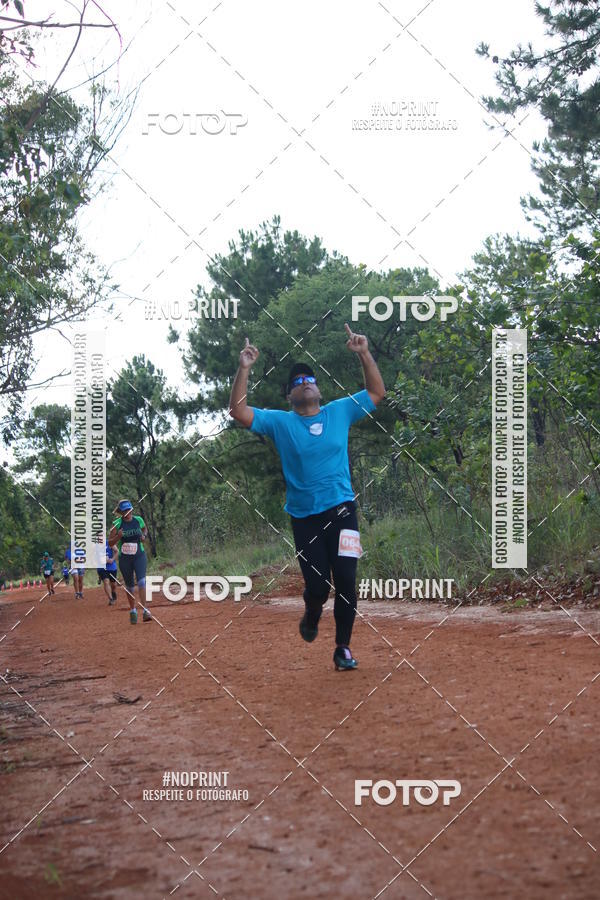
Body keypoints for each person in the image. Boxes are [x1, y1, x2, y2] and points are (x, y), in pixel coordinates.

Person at [229, 323, 385, 670]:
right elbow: (239, 411)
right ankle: (312, 612)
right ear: (290, 396)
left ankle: (342, 647)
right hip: (305, 519)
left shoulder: (339, 411)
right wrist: (244, 369)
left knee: (345, 579)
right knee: (318, 586)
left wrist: (364, 353)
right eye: (297, 383)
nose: (304, 383)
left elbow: (376, 393)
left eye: (309, 379)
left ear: (318, 388)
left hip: (344, 511)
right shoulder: (280, 422)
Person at [108, 500, 151, 625]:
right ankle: (133, 610)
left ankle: (145, 610)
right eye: (124, 511)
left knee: (142, 581)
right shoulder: (117, 524)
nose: (127, 513)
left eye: (129, 510)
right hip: (125, 559)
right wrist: (118, 537)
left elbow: (144, 530)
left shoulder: (138, 520)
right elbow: (110, 543)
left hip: (139, 555)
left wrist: (144, 536)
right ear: (120, 512)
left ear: (131, 509)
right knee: (130, 586)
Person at [97, 537, 119, 606]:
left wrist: (112, 559)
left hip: (111, 567)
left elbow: (117, 551)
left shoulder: (109, 543)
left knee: (113, 584)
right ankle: (111, 599)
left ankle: (113, 592)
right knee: (106, 582)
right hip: (101, 568)